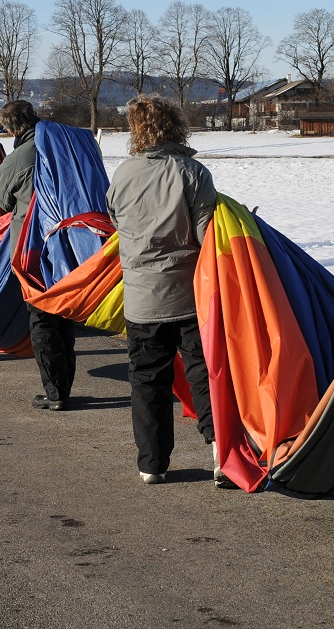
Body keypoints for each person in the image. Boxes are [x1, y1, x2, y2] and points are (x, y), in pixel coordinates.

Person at [106, 94, 229, 487]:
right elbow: (207, 236)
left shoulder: (123, 174)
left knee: (146, 380)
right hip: (191, 295)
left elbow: (116, 221)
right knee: (205, 374)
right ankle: (220, 454)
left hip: (142, 299)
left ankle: (152, 463)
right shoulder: (192, 172)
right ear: (175, 125)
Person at [0, 99, 76, 410]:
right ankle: (64, 385)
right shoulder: (62, 144)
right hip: (69, 241)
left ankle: (55, 392)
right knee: (65, 313)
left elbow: (1, 199)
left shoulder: (19, 157)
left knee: (41, 317)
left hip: (34, 247)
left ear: (13, 128)